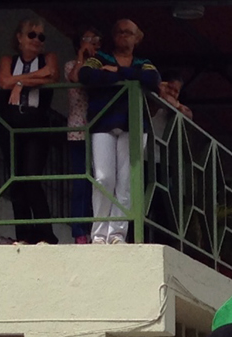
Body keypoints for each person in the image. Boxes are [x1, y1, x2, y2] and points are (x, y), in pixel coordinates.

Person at [78, 20, 159, 244]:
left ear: (137, 38)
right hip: (102, 122)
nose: (124, 36)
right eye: (120, 32)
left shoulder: (144, 62)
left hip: (132, 125)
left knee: (126, 180)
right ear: (113, 37)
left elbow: (153, 80)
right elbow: (86, 75)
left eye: (129, 33)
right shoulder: (99, 58)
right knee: (103, 177)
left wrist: (117, 72)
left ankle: (116, 234)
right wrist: (126, 75)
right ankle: (99, 233)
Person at [0, 19, 58, 245]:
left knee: (32, 177)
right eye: (32, 35)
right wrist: (31, 79)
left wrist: (20, 83)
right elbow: (4, 81)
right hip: (12, 124)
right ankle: (23, 234)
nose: (37, 40)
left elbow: (51, 73)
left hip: (37, 123)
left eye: (41, 37)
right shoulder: (8, 60)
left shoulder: (48, 58)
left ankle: (45, 233)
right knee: (16, 180)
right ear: (19, 38)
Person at [62, 25, 100, 243]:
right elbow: (75, 77)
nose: (94, 43)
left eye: (97, 39)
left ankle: (98, 228)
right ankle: (79, 231)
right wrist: (81, 57)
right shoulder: (71, 65)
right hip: (78, 130)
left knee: (100, 181)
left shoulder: (102, 65)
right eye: (89, 38)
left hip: (99, 129)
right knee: (80, 182)